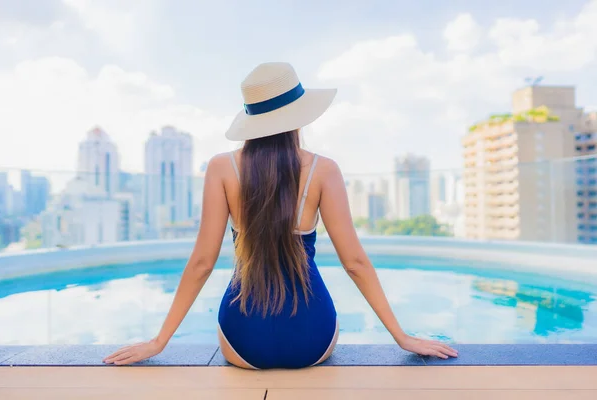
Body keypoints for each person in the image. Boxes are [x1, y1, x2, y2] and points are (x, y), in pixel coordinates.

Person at [104, 62, 458, 368]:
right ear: (299, 114)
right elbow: (354, 262)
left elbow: (201, 263)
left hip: (243, 342)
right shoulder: (324, 170)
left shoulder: (221, 169)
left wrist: (159, 341)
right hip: (312, 339)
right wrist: (402, 337)